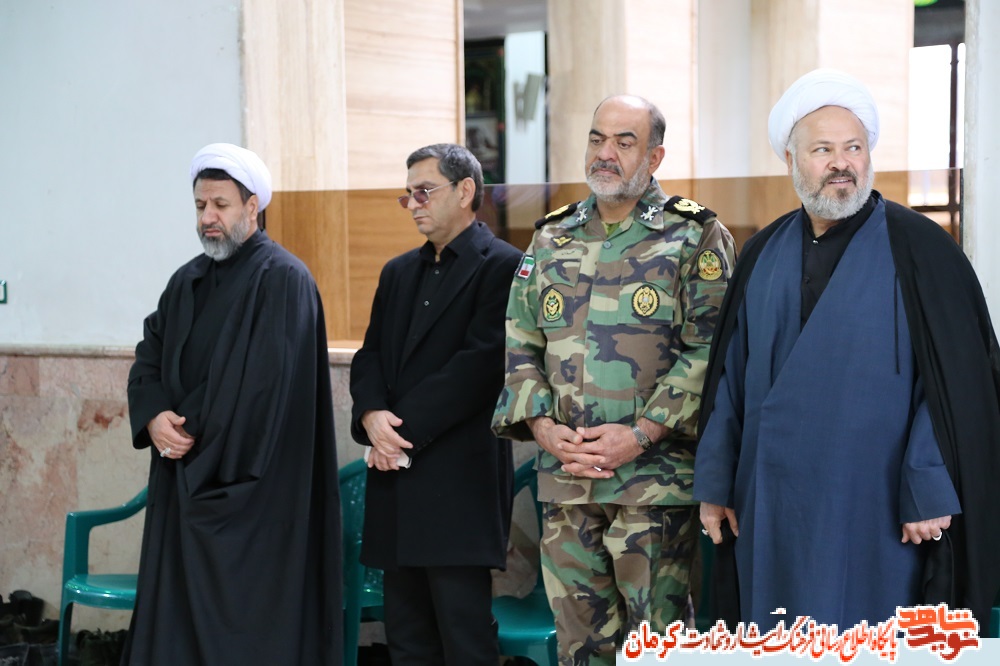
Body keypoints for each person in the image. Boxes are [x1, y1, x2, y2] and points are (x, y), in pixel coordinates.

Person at [694, 69, 1000, 630]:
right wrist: (715, 483)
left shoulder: (922, 248)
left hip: (874, 500)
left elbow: (954, 386)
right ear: (792, 159)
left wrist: (929, 483)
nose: (842, 163)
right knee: (777, 636)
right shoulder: (761, 252)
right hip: (771, 498)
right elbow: (729, 381)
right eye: (824, 150)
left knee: (872, 635)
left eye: (854, 148)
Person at [492, 95, 736, 663]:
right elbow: (521, 339)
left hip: (652, 485)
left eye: (625, 142)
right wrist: (542, 426)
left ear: (654, 157)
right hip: (567, 480)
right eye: (597, 139)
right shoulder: (552, 235)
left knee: (657, 649)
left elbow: (712, 349)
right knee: (579, 647)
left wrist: (642, 433)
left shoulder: (693, 235)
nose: (606, 153)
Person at [124, 143, 341, 664]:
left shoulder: (284, 280)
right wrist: (154, 415)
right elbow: (149, 354)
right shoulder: (186, 281)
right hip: (182, 483)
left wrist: (187, 432)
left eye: (220, 205)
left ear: (252, 206)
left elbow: (262, 390)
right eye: (201, 206)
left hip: (254, 498)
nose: (208, 217)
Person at [349, 143, 521, 665]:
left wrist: (394, 433)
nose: (414, 204)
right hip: (396, 480)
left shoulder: (504, 265)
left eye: (424, 191)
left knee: (464, 637)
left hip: (458, 480)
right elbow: (370, 355)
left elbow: (480, 366)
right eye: (408, 195)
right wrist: (370, 415)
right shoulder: (398, 272)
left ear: (466, 191)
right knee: (406, 639)